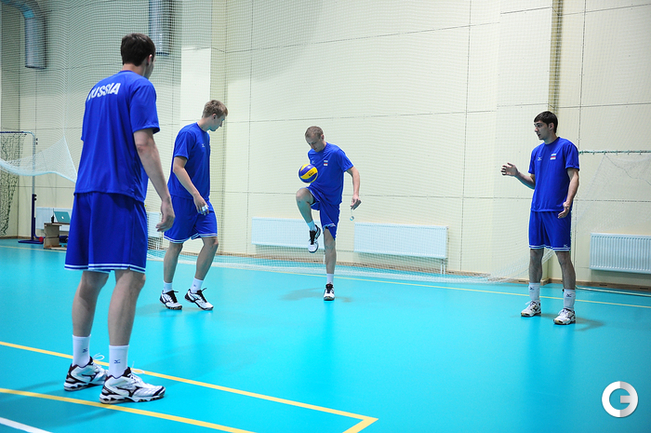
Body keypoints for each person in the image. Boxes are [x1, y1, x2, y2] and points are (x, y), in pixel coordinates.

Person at [63, 33, 175, 403]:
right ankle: (118, 377)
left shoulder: (95, 91)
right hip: (119, 193)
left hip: (86, 190)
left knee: (92, 278)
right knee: (132, 278)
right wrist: (165, 197)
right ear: (150, 58)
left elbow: (90, 141)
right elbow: (144, 143)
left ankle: (80, 366)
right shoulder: (141, 86)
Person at [501, 111, 580, 325]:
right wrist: (517, 174)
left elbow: (574, 177)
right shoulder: (536, 152)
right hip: (537, 211)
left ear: (551, 126)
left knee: (563, 258)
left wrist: (568, 201)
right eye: (535, 125)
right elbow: (534, 182)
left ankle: (569, 309)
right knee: (534, 255)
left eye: (538, 125)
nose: (535, 129)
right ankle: (534, 303)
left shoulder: (567, 147)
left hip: (557, 212)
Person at [159, 100, 228, 311]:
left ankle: (194, 291)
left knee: (212, 242)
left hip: (202, 200)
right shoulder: (188, 134)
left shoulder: (206, 136)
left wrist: (200, 196)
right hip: (183, 199)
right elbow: (177, 167)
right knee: (176, 245)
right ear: (214, 116)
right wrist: (195, 194)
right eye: (221, 120)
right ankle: (166, 292)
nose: (221, 125)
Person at [296, 126, 361, 301]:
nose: (312, 147)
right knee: (300, 195)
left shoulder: (336, 153)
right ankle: (313, 229)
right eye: (309, 144)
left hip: (331, 202)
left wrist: (355, 193)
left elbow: (354, 172)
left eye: (314, 143)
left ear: (322, 137)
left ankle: (329, 286)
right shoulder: (311, 154)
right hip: (316, 192)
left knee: (329, 243)